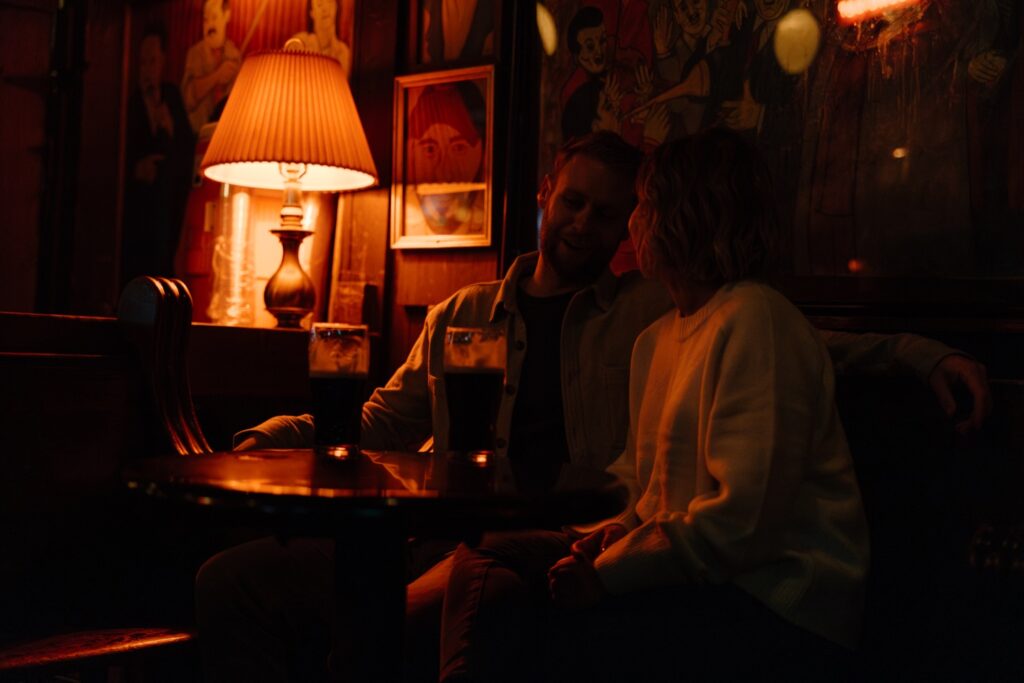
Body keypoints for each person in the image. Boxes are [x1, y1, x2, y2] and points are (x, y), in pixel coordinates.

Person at [198, 131, 990, 682]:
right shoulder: (467, 314)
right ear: (546, 193)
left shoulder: (661, 312)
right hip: (443, 532)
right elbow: (379, 420)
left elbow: (800, 348)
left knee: (440, 598)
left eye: (613, 213)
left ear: (644, 223)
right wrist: (271, 436)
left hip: (568, 543)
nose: (589, 224)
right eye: (575, 202)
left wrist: (924, 353)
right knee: (232, 580)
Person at [436, 128, 872, 682]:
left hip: (778, 599)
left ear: (676, 215)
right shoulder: (660, 336)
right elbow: (642, 483)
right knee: (493, 556)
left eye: (640, 206)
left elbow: (741, 525)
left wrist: (608, 575)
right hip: (699, 576)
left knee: (547, 629)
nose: (629, 224)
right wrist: (608, 535)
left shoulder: (755, 319)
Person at [122, 21, 195, 286]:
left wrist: (170, 127)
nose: (147, 70)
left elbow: (188, 145)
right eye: (143, 62)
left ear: (162, 61)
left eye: (152, 61)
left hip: (169, 202)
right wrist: (136, 168)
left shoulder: (172, 97)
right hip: (140, 206)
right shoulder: (130, 103)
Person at [181, 0, 240, 134]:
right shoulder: (195, 53)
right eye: (206, 20)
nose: (209, 26)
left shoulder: (235, 55)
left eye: (214, 17)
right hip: (197, 137)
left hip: (226, 139)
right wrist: (217, 76)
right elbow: (188, 98)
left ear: (227, 16)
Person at [289, 0, 352, 75]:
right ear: (311, 13)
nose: (325, 9)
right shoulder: (300, 43)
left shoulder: (344, 53)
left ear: (336, 7)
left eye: (329, 2)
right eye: (319, 4)